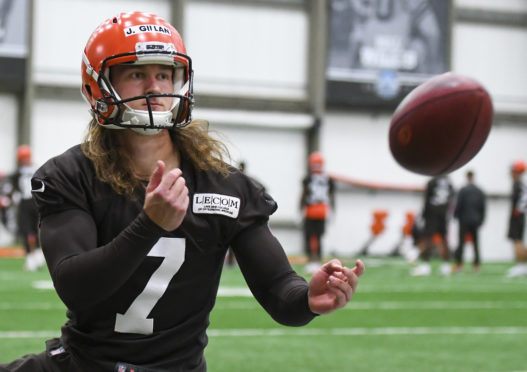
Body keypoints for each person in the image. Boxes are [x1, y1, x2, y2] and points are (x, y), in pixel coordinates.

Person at [0, 12, 365, 372]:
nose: (154, 87)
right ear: (98, 84)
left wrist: (309, 300)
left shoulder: (225, 185)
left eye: (164, 74)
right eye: (137, 74)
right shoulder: (71, 175)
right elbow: (76, 287)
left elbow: (280, 291)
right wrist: (149, 225)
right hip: (86, 364)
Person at [2, 145, 45, 271]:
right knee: (35, 229)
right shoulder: (37, 169)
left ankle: (31, 259)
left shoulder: (18, 173)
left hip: (25, 203)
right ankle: (38, 256)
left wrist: (10, 199)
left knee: (26, 230)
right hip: (36, 201)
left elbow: (9, 189)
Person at [299, 152, 336, 274]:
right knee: (319, 237)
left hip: (311, 210)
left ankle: (311, 261)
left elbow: (304, 194)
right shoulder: (328, 179)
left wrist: (300, 208)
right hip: (322, 210)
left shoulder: (308, 178)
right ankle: (318, 261)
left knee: (309, 236)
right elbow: (331, 196)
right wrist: (332, 210)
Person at [411, 174, 454, 276]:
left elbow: (426, 199)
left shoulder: (432, 182)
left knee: (427, 239)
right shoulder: (449, 183)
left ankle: (425, 266)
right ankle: (446, 266)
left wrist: (424, 215)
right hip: (443, 214)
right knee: (444, 239)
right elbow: (452, 199)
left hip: (432, 214)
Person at [453, 170, 486, 273]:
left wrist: (456, 216)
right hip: (475, 220)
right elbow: (483, 206)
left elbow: (459, 204)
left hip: (464, 220)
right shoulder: (479, 190)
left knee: (461, 242)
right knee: (476, 243)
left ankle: (459, 264)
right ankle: (476, 265)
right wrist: (482, 219)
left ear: (467, 177)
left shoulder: (463, 190)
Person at [506, 160, 527, 277]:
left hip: (517, 216)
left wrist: (519, 209)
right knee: (515, 240)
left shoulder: (519, 185)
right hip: (517, 215)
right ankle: (521, 265)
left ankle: (521, 265)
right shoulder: (517, 184)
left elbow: (525, 198)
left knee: (517, 240)